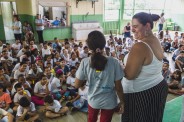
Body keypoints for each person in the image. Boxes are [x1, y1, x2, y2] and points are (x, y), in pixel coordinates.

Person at [122, 12, 168, 122]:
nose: (132, 29)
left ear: (147, 26)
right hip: (158, 87)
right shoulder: (156, 40)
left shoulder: (140, 46)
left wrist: (116, 67)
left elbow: (129, 75)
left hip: (141, 94)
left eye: (135, 26)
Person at [74, 31, 124, 122]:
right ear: (104, 44)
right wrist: (122, 102)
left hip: (93, 101)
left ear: (89, 47)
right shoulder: (114, 62)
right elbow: (118, 87)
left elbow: (76, 85)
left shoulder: (85, 62)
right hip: (109, 102)